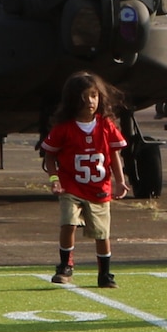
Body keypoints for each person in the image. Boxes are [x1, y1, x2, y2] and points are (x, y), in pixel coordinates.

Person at [41, 71, 129, 288]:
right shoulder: (64, 128)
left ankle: (105, 273)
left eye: (93, 95)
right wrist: (55, 179)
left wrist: (120, 180)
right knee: (69, 222)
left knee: (102, 233)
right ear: (73, 99)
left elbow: (114, 154)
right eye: (84, 97)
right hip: (71, 185)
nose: (90, 101)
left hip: (99, 188)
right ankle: (65, 265)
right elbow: (50, 155)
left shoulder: (106, 126)